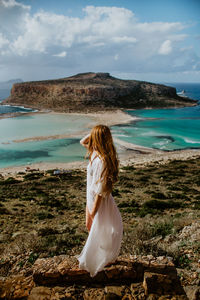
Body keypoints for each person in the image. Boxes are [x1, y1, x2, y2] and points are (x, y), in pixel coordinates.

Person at [77, 125, 123, 277]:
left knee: (101, 230)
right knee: (92, 228)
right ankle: (103, 257)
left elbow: (100, 191)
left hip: (99, 201)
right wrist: (93, 133)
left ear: (98, 139)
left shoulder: (102, 160)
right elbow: (82, 141)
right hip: (90, 198)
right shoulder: (95, 153)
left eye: (94, 136)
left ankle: (104, 259)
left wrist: (93, 210)